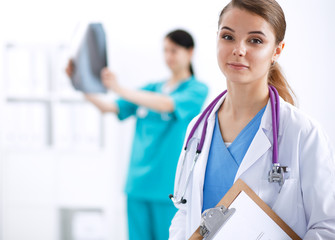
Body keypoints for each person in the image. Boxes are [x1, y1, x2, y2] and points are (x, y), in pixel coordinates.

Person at [169, 1, 335, 239]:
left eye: (255, 40)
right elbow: (185, 212)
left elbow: (326, 226)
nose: (239, 49)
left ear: (277, 51)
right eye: (228, 37)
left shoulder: (303, 133)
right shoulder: (198, 128)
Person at [66, 29, 208, 240]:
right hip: (137, 185)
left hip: (168, 189)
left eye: (174, 51)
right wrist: (79, 83)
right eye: (165, 50)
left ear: (190, 52)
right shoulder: (151, 88)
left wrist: (118, 87)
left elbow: (167, 104)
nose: (168, 56)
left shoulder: (196, 89)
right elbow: (108, 108)